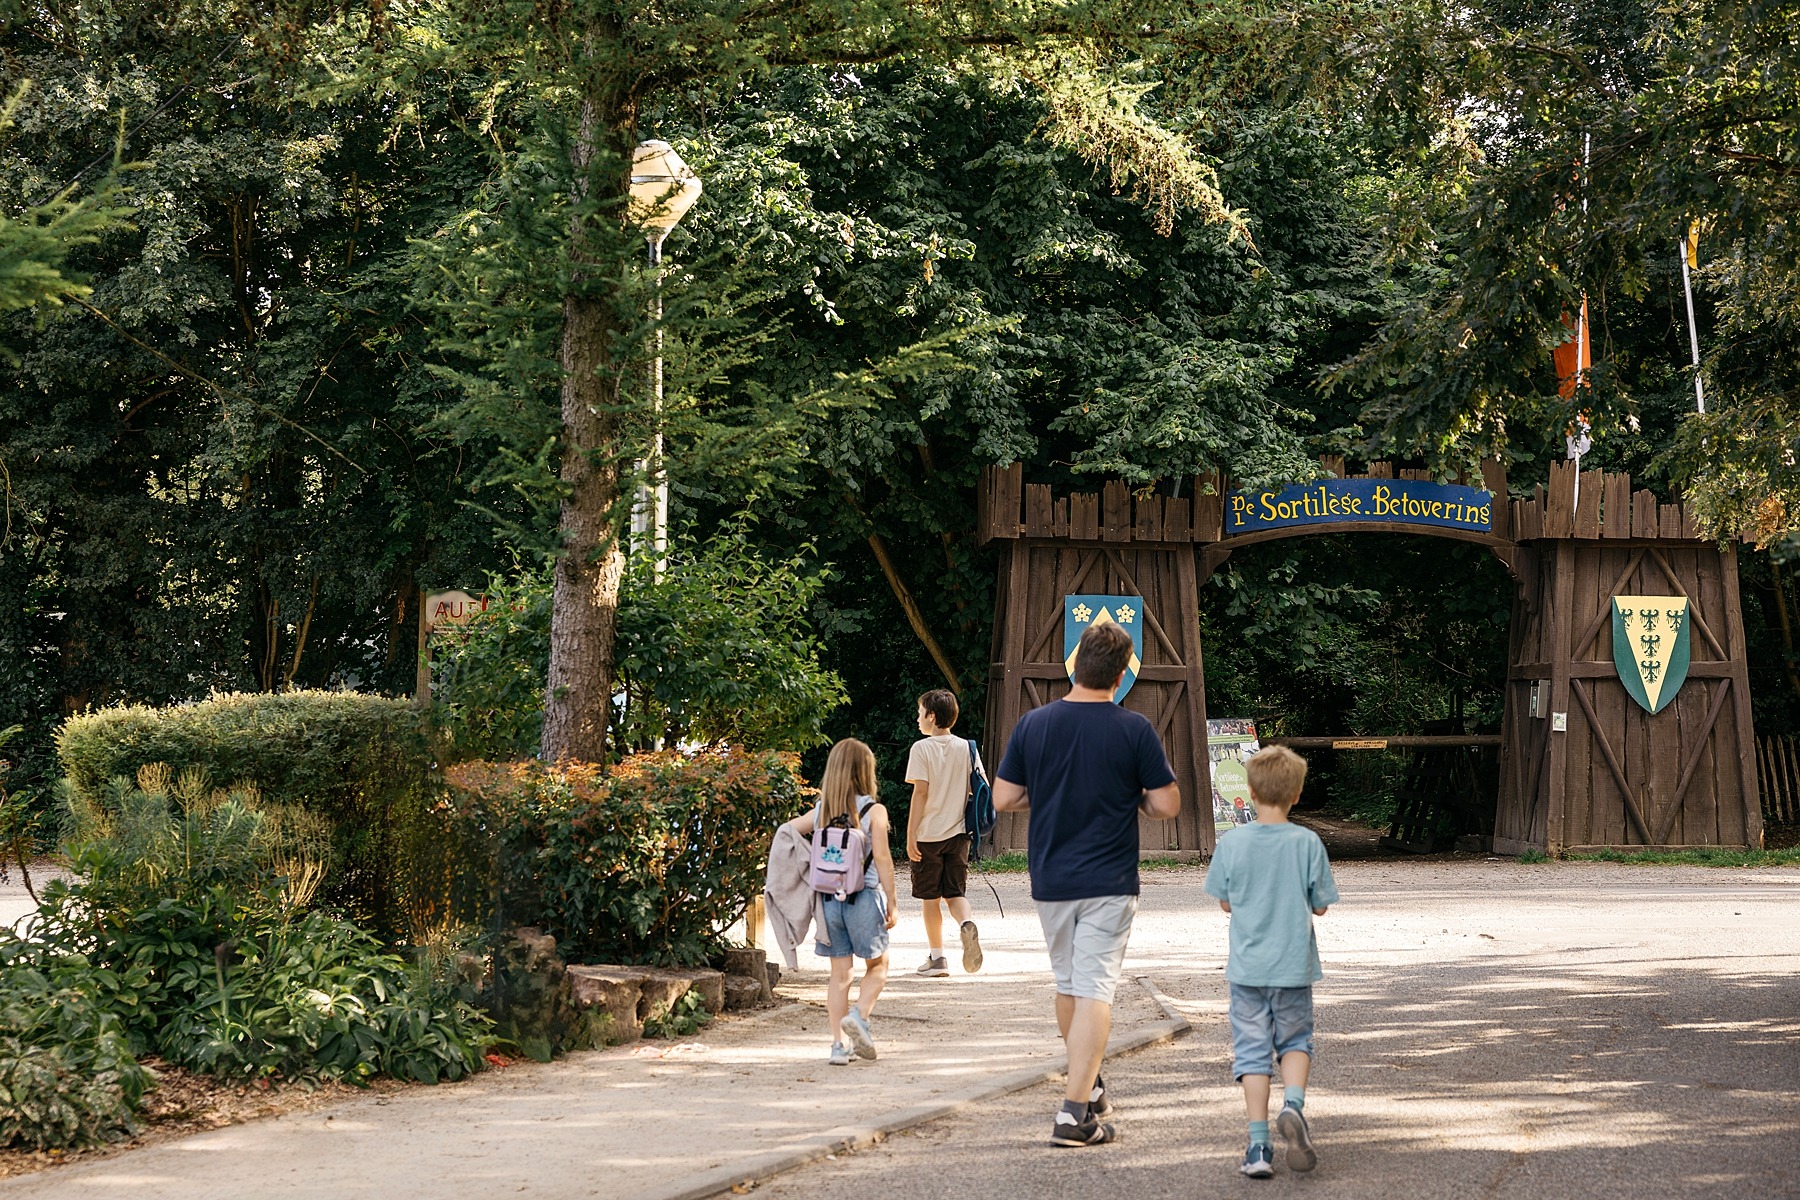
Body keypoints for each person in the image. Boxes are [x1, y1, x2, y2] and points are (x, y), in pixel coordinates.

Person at [992, 620, 1181, 1147]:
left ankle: (1090, 1081)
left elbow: (1005, 799)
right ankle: (1073, 1114)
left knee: (1068, 983)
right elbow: (1166, 804)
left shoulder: (1034, 724)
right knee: (1096, 986)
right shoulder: (1134, 729)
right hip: (1110, 876)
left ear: (1074, 664)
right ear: (1121, 676)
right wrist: (1133, 798)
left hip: (1051, 875)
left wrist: (1047, 795)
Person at [1203, 744, 1338, 1179]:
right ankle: (1294, 1106)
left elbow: (1224, 902)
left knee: (1252, 1053)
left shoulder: (1233, 843)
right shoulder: (1308, 843)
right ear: (1296, 794)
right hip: (1294, 966)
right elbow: (1320, 906)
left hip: (1247, 970)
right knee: (1296, 1041)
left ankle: (1259, 1146)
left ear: (1251, 791)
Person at [781, 738, 898, 1065]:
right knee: (878, 966)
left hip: (828, 902)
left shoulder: (821, 812)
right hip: (863, 898)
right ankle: (859, 1016)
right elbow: (885, 858)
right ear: (866, 771)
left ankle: (837, 1046)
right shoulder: (874, 811)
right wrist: (893, 900)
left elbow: (787, 833)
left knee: (840, 975)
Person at [904, 688, 984, 977]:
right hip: (959, 835)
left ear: (932, 716)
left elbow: (920, 793)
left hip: (928, 836)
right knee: (954, 893)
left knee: (930, 899)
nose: (917, 718)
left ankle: (937, 959)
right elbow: (978, 789)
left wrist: (911, 834)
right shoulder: (967, 747)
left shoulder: (921, 749)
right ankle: (966, 925)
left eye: (920, 712)